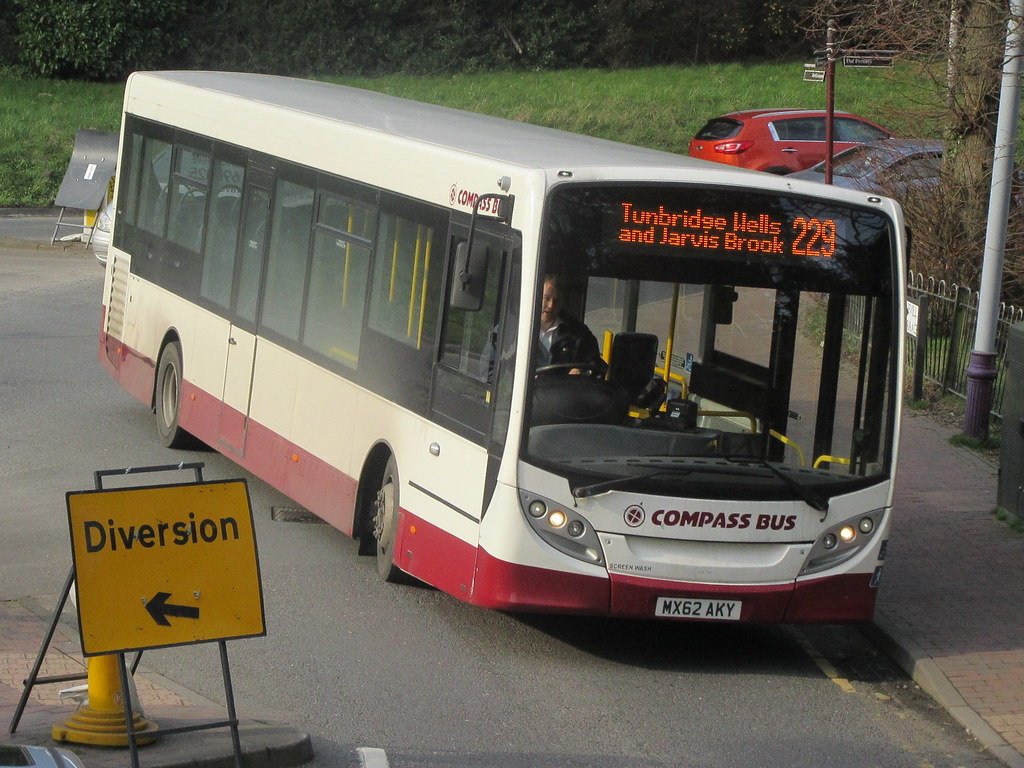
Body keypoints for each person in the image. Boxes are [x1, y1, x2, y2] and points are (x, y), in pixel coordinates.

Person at [537, 275, 607, 376]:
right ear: (536, 296)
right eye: (547, 298)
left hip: (567, 385)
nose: (551, 305)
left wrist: (582, 371)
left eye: (556, 301)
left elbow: (597, 365)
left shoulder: (578, 332)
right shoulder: (518, 330)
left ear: (562, 303)